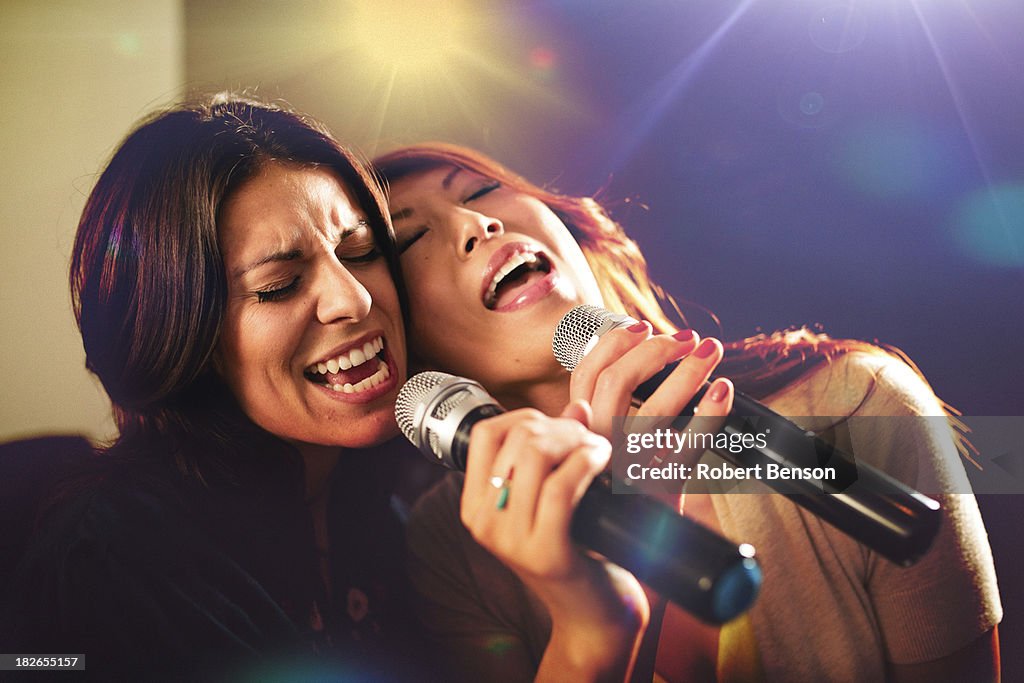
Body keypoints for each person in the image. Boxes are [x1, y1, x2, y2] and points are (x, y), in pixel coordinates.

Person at [0, 98, 640, 682]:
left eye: (361, 250)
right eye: (279, 285)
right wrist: (592, 635)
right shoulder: (121, 554)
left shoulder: (388, 506)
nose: (353, 298)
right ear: (183, 338)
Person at [374, 142, 1003, 682]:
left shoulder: (851, 403)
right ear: (410, 344)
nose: (474, 223)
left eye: (482, 190)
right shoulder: (449, 548)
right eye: (412, 238)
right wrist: (621, 578)